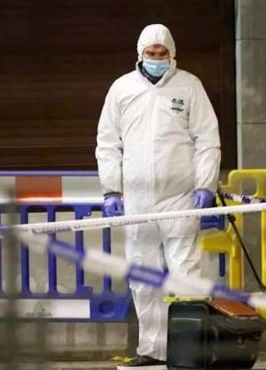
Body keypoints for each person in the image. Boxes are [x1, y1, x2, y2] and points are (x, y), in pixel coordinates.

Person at [95, 23, 221, 369]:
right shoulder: (122, 89)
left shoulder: (189, 86)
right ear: (140, 54)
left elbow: (207, 139)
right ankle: (152, 349)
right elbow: (108, 143)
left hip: (179, 198)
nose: (156, 59)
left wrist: (205, 185)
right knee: (142, 275)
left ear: (172, 53)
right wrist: (111, 189)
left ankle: (188, 349)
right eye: (151, 54)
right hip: (136, 201)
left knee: (185, 272)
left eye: (161, 54)